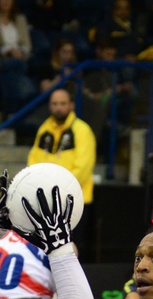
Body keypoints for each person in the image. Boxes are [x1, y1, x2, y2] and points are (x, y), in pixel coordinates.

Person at [27, 87, 96, 246]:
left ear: (71, 105)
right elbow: (33, 161)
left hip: (75, 201)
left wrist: (57, 190)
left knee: (71, 250)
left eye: (63, 103)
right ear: (50, 106)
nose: (59, 107)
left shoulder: (82, 130)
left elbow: (83, 168)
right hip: (47, 203)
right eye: (55, 103)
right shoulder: (44, 129)